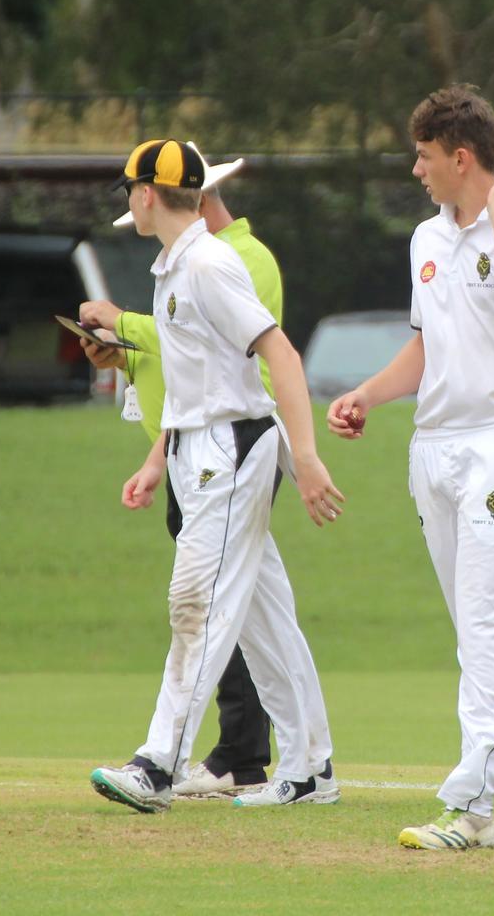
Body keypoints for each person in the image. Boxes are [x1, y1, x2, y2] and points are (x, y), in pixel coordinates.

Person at [328, 85, 494, 849]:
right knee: (486, 629)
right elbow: (427, 346)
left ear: (461, 157)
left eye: (422, 156)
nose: (416, 170)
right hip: (433, 451)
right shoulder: (423, 240)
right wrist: (369, 396)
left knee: (486, 628)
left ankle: (473, 807)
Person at [84, 138, 343, 814]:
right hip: (202, 449)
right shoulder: (176, 267)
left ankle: (156, 764)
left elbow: (279, 354)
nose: (130, 201)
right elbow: (193, 375)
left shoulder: (208, 263)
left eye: (131, 191)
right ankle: (312, 767)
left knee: (194, 607)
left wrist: (307, 458)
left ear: (146, 194)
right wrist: (155, 456)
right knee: (264, 619)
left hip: (228, 452)